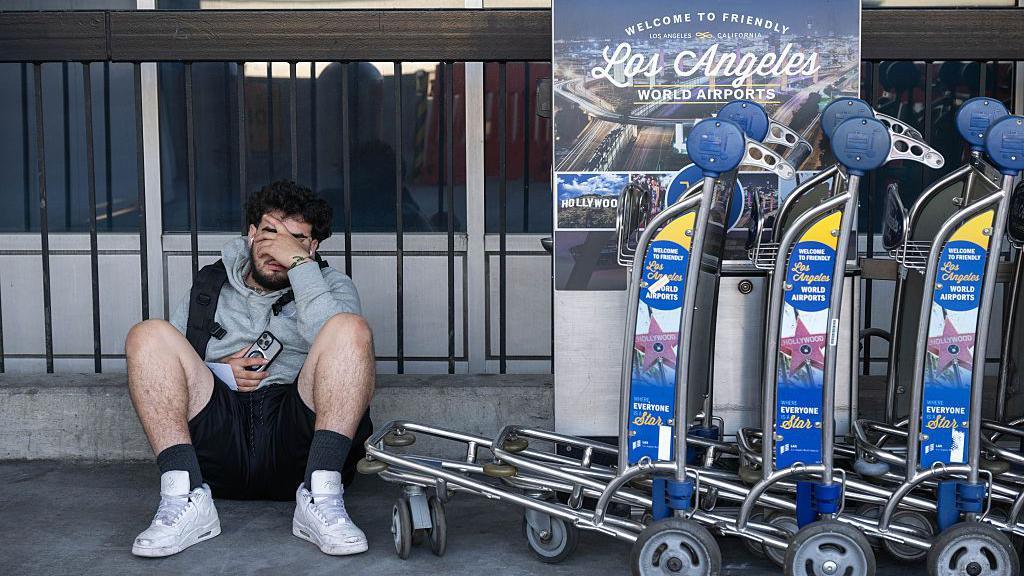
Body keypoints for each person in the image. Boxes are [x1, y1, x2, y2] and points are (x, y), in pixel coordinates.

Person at [124, 180, 375, 558]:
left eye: (295, 239)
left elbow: (340, 344)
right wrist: (220, 370)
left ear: (312, 246)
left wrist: (301, 268)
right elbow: (166, 372)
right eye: (271, 233)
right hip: (218, 434)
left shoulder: (331, 286)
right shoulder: (209, 287)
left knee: (350, 327)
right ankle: (184, 494)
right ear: (252, 233)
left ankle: (322, 496)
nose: (278, 248)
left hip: (295, 437)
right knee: (146, 335)